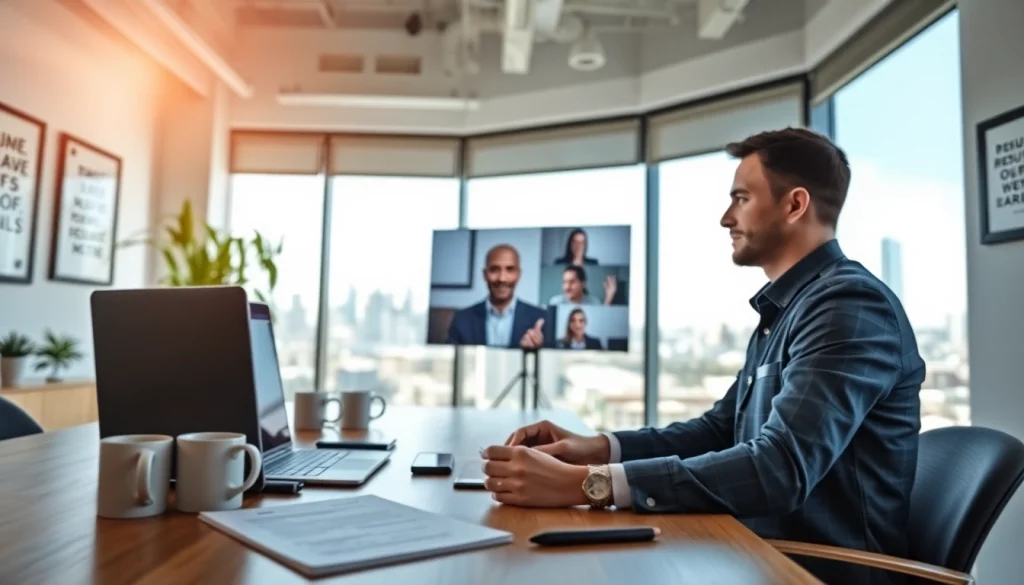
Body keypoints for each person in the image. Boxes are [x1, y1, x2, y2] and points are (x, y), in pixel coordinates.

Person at [479, 128, 924, 585]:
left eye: (741, 198)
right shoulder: (790, 308)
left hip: (814, 571)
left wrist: (590, 484)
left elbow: (779, 468)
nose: (725, 218)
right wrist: (593, 449)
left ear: (794, 205)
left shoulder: (847, 306)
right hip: (753, 553)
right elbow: (719, 431)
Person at [446, 244, 548, 349]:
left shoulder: (540, 319)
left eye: (510, 269)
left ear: (518, 274)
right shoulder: (462, 319)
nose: (502, 278)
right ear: (484, 274)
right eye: (494, 269)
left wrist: (538, 352)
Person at [547, 266, 616, 306]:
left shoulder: (594, 302)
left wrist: (609, 298)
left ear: (583, 284)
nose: (567, 287)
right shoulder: (556, 302)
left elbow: (601, 322)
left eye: (572, 282)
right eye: (564, 282)